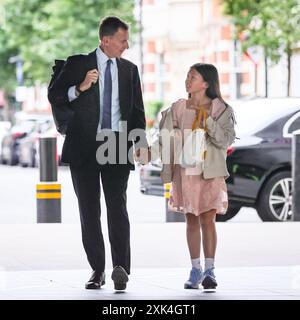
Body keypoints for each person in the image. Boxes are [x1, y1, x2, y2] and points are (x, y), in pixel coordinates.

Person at [48, 16, 148, 291]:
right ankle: (97, 269)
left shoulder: (129, 70)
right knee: (89, 210)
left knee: (118, 208)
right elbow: (55, 95)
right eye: (122, 40)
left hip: (116, 144)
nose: (126, 46)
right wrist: (79, 88)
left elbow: (137, 111)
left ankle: (120, 268)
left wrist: (140, 142)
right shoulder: (78, 64)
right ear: (106, 40)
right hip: (84, 145)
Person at [151, 63, 235, 290]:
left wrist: (206, 119)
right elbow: (165, 137)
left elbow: (225, 140)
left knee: (208, 219)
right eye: (187, 76)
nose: (188, 80)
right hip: (186, 173)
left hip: (209, 172)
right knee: (191, 220)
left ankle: (210, 270)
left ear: (206, 83)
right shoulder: (178, 108)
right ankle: (195, 269)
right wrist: (150, 152)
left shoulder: (222, 109)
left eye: (193, 77)